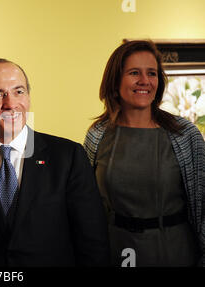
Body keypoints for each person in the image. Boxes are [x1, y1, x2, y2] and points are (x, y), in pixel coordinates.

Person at [0, 58, 110, 266]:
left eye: (19, 92)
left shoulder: (68, 157)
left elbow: (93, 244)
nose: (10, 104)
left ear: (28, 97)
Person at [84, 40, 204, 266]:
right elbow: (88, 208)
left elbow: (203, 204)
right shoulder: (97, 135)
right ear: (115, 79)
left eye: (152, 73)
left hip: (175, 251)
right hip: (115, 251)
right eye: (134, 73)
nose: (144, 81)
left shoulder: (185, 134)